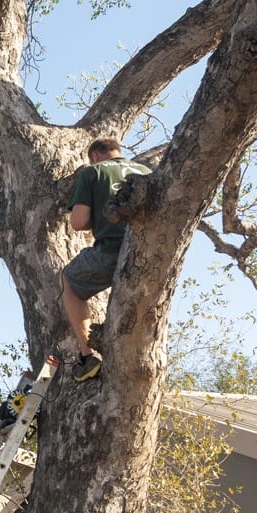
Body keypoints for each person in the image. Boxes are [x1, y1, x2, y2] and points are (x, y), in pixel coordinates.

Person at [62, 138, 152, 382]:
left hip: (113, 250)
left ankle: (87, 355)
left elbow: (78, 222)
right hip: (149, 253)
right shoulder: (147, 171)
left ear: (95, 156)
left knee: (69, 280)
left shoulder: (93, 172)